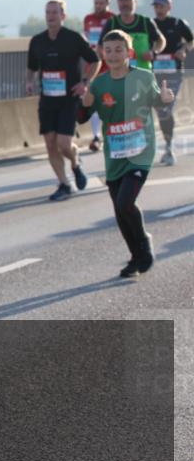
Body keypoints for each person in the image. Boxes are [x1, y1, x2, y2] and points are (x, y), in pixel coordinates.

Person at [82, 30, 174, 278]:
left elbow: (158, 101)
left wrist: (165, 99)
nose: (112, 55)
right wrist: (86, 100)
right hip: (115, 153)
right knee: (119, 209)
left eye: (118, 50)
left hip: (140, 150)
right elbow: (81, 117)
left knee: (125, 202)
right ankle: (135, 256)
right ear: (102, 52)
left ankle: (143, 242)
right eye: (108, 50)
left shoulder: (143, 76)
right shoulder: (100, 83)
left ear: (129, 52)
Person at [25, 0, 100, 201]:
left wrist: (85, 82)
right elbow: (31, 67)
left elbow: (95, 61)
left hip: (69, 98)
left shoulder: (74, 38)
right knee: (50, 143)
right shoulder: (37, 41)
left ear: (63, 16)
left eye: (55, 12)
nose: (51, 16)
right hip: (48, 99)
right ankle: (64, 184)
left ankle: (75, 163)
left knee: (64, 144)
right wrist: (29, 82)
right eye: (48, 12)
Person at [149, 0, 192, 166]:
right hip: (156, 72)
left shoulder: (178, 23)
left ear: (169, 7)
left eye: (162, 6)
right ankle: (168, 144)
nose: (159, 9)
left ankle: (169, 147)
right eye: (156, 6)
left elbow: (191, 40)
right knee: (161, 110)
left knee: (166, 107)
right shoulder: (151, 25)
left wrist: (184, 50)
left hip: (174, 72)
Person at [100, 0, 166, 72]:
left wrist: (153, 52)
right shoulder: (112, 23)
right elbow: (99, 47)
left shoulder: (145, 22)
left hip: (143, 73)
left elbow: (161, 41)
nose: (124, 3)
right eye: (121, 0)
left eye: (128, 0)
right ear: (117, 3)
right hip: (118, 75)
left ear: (135, 2)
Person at [82, 0, 114, 152]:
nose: (98, 6)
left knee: (108, 101)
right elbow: (86, 38)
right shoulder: (88, 19)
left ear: (108, 3)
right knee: (92, 101)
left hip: (110, 65)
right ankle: (96, 136)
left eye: (102, 3)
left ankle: (110, 132)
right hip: (93, 65)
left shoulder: (113, 19)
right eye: (96, 3)